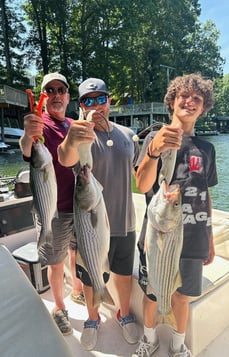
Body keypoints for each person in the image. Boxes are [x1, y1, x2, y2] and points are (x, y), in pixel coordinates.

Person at [133, 73, 217, 357]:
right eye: (183, 96)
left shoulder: (207, 149)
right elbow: (142, 185)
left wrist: (211, 238)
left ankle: (179, 346)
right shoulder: (154, 140)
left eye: (197, 99)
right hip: (158, 234)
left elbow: (207, 193)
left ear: (203, 108)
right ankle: (149, 339)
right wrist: (154, 151)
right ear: (172, 101)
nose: (190, 102)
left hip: (195, 236)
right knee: (152, 293)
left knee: (182, 297)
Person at [57, 77, 139, 350]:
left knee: (123, 275)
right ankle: (93, 319)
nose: (95, 105)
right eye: (88, 101)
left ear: (109, 100)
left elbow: (141, 175)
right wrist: (71, 139)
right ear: (81, 106)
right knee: (91, 277)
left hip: (125, 221)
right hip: (90, 225)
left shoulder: (128, 135)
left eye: (100, 98)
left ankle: (123, 313)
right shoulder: (81, 136)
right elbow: (65, 157)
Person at [19, 72, 91, 335]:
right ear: (45, 97)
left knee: (74, 251)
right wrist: (29, 135)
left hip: (79, 204)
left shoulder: (72, 123)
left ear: (68, 96)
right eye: (51, 90)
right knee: (56, 260)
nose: (57, 94)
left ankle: (77, 292)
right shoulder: (41, 124)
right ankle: (59, 307)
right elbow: (28, 147)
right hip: (55, 208)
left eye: (61, 90)